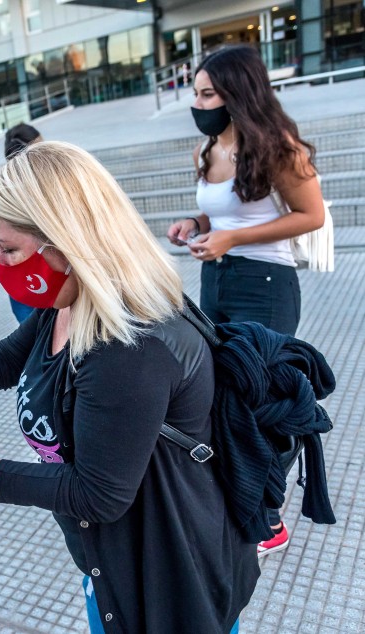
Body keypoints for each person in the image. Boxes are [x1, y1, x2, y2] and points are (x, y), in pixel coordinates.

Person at [0, 141, 259, 632]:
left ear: (67, 244)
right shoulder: (72, 302)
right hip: (111, 560)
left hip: (168, 576)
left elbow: (98, 494)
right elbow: (9, 356)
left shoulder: (129, 349)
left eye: (9, 248)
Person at [167, 45, 325, 558]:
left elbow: (312, 216)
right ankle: (239, 496)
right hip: (217, 280)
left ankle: (270, 517)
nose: (199, 102)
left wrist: (234, 240)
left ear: (237, 91)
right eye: (195, 93)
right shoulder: (208, 150)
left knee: (264, 399)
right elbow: (221, 217)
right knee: (220, 393)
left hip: (266, 285)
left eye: (207, 92)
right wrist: (196, 225)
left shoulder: (278, 146)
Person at [2, 123, 43, 323]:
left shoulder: (2, 187)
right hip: (36, 275)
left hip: (22, 276)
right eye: (41, 145)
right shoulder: (40, 188)